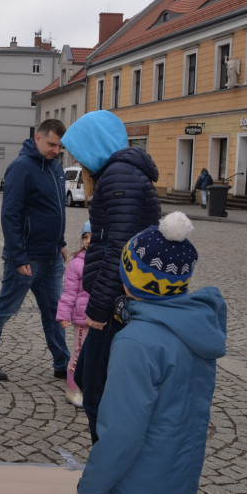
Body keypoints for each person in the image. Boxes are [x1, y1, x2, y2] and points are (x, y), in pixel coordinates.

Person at [64, 212, 227, 494]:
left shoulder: (136, 342)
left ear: (130, 277)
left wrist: (91, 489)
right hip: (172, 478)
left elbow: (122, 430)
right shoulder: (195, 327)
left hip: (136, 492)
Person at [60, 110, 160, 443]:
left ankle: (102, 480)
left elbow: (119, 247)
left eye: (77, 149)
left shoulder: (119, 177)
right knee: (89, 379)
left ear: (93, 145)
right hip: (116, 300)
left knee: (99, 393)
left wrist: (98, 311)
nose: (74, 157)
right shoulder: (121, 174)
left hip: (115, 306)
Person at [0, 119, 70, 382]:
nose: (55, 150)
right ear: (37, 138)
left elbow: (57, 210)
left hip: (51, 257)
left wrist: (60, 243)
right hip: (27, 258)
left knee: (54, 311)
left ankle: (62, 362)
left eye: (59, 146)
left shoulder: (56, 167)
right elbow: (10, 215)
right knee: (5, 307)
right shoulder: (21, 167)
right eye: (51, 144)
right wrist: (18, 256)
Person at [56, 220, 91, 407]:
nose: (88, 241)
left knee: (98, 355)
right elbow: (69, 292)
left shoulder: (108, 261)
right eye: (85, 237)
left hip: (101, 318)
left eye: (92, 237)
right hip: (82, 319)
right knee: (79, 353)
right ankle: (72, 390)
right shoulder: (76, 264)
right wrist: (64, 314)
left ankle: (91, 388)